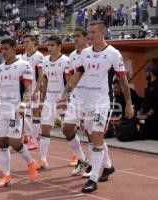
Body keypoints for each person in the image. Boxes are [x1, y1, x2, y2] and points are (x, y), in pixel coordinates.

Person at [58, 20, 134, 193]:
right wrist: (64, 95)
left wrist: (129, 103)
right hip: (84, 101)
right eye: (89, 32)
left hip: (102, 102)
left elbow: (122, 79)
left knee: (97, 136)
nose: (90, 36)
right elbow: (76, 76)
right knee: (86, 134)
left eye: (93, 32)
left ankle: (93, 178)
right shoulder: (84, 53)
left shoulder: (113, 53)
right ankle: (107, 166)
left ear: (102, 33)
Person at [0, 38, 38, 188]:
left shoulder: (24, 66)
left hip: (16, 109)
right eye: (2, 49)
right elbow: (0, 90)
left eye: (6, 49)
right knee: (2, 143)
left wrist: (23, 105)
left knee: (15, 142)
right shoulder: (0, 68)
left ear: (14, 49)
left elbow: (27, 89)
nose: (4, 52)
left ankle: (30, 163)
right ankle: (6, 176)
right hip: (2, 108)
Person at [34, 35, 71, 170]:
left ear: (59, 46)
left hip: (62, 99)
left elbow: (69, 82)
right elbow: (45, 82)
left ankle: (76, 155)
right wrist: (42, 101)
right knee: (45, 129)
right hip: (49, 100)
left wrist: (66, 98)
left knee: (68, 130)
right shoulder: (44, 61)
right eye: (48, 45)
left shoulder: (66, 61)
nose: (49, 48)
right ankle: (43, 160)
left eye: (52, 45)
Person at [64, 27, 93, 176]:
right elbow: (70, 76)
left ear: (86, 38)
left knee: (90, 133)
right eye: (73, 36)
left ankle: (93, 165)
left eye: (78, 36)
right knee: (67, 129)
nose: (75, 39)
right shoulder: (72, 55)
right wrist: (68, 93)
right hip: (76, 97)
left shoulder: (92, 53)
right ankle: (82, 159)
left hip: (91, 98)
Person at [21, 34, 44, 150]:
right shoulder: (22, 57)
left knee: (34, 114)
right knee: (24, 113)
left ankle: (34, 140)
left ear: (33, 42)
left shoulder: (39, 56)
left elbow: (41, 75)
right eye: (24, 42)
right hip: (25, 90)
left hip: (34, 89)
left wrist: (36, 90)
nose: (25, 44)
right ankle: (30, 135)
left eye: (28, 41)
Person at [137, 65, 158, 140]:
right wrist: (141, 111)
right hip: (146, 118)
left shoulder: (156, 85)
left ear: (151, 73)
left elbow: (156, 104)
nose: (146, 73)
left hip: (154, 119)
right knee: (146, 137)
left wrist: (147, 115)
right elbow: (145, 100)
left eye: (147, 72)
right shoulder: (147, 85)